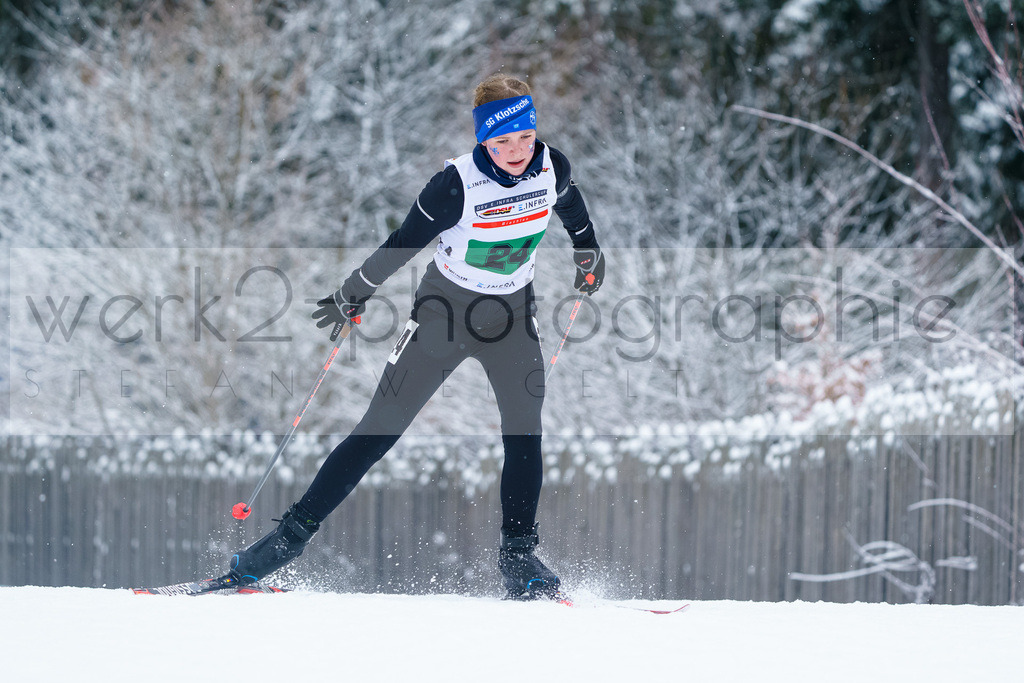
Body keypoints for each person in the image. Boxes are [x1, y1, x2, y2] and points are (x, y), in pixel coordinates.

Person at [224, 73, 605, 600]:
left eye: (525, 136)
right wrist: (354, 291)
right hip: (444, 316)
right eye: (503, 140)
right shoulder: (454, 186)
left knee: (524, 432)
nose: (518, 150)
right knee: (379, 429)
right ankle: (285, 542)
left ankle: (519, 557)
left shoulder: (550, 165)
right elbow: (403, 242)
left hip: (512, 318)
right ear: (483, 140)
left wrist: (587, 250)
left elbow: (570, 203)